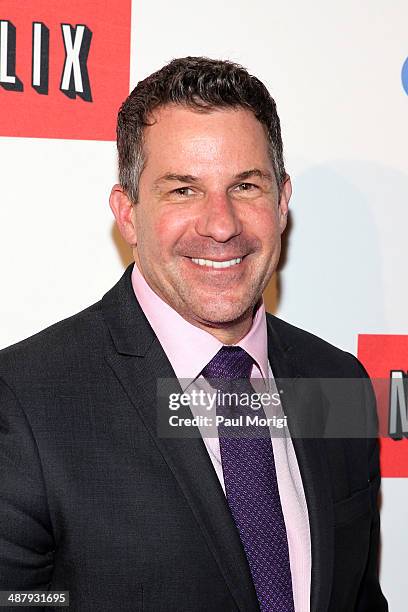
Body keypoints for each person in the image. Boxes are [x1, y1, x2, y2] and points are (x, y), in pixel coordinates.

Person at [0, 57, 388, 612]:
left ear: (282, 203)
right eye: (183, 190)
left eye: (246, 186)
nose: (222, 223)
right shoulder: (23, 403)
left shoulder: (337, 381)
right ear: (127, 213)